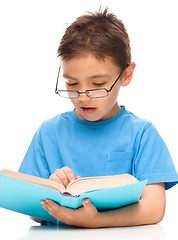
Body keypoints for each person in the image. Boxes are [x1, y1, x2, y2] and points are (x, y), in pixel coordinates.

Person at [18, 7, 178, 228]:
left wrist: (97, 220)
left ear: (126, 75)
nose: (83, 97)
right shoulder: (48, 132)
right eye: (72, 84)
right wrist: (49, 195)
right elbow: (32, 211)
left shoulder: (142, 134)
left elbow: (154, 208)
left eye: (98, 85)